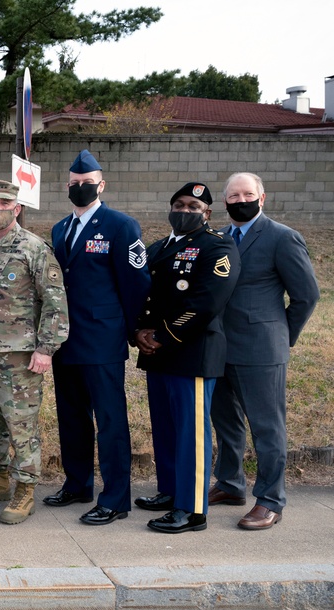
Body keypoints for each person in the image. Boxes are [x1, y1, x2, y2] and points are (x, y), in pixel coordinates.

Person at [45, 149, 150, 526]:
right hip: (64, 341)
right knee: (71, 417)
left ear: (101, 185)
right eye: (74, 184)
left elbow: (136, 283)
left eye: (87, 183)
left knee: (109, 421)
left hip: (102, 339)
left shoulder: (121, 225)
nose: (80, 188)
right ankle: (77, 484)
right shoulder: (59, 228)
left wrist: (129, 328)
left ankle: (116, 498)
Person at [209, 172, 319, 530]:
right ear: (225, 202)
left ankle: (270, 500)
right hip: (219, 348)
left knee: (267, 428)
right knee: (226, 424)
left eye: (247, 194)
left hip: (261, 350)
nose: (241, 200)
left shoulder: (282, 237)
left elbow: (306, 295)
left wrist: (282, 334)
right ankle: (230, 484)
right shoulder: (220, 238)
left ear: (262, 197)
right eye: (233, 196)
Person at [0, 179, 69, 524]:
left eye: (4, 203)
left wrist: (46, 348)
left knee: (20, 425)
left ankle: (25, 489)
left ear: (17, 208)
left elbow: (54, 302)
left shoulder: (33, 248)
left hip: (19, 356)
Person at [136, 182, 240, 533]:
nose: (185, 211)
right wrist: (140, 332)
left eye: (194, 207)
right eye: (179, 204)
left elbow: (206, 303)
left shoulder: (218, 247)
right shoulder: (159, 247)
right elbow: (146, 297)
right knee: (165, 429)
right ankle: (169, 491)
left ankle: (192, 509)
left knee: (191, 433)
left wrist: (162, 336)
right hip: (159, 354)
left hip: (192, 352)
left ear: (207, 214)